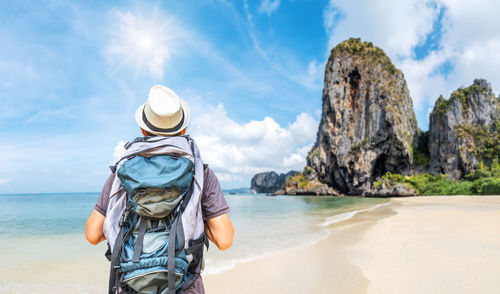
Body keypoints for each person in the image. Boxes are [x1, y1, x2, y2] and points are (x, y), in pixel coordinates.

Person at [85, 85, 234, 294]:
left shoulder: (122, 170)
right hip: (185, 285)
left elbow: (93, 234)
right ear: (182, 130)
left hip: (130, 283)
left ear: (143, 129)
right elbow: (225, 240)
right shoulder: (200, 171)